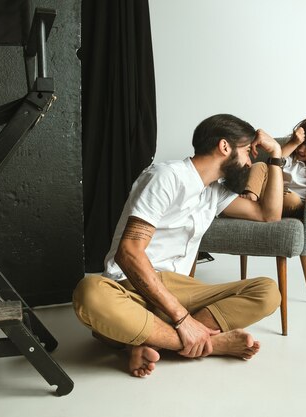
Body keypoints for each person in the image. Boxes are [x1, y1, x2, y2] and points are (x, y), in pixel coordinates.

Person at [72, 114, 285, 377]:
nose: (250, 162)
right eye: (247, 152)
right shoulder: (166, 176)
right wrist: (183, 320)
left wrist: (276, 155)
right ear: (224, 147)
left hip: (182, 289)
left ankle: (144, 340)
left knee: (267, 291)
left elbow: (269, 214)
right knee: (90, 293)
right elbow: (128, 252)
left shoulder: (215, 192)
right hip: (132, 287)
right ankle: (209, 344)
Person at [241, 114, 306, 218]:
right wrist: (294, 143)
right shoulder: (293, 155)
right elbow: (275, 161)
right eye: (300, 144)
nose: (301, 149)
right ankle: (251, 198)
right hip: (270, 191)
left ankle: (260, 208)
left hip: (288, 203)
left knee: (293, 199)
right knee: (260, 166)